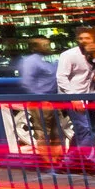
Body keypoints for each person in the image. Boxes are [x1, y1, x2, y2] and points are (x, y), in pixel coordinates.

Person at [56, 28, 95, 169]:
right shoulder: (68, 55)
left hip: (89, 96)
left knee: (84, 129)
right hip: (73, 97)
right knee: (85, 128)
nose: (83, 41)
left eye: (87, 38)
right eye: (81, 38)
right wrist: (74, 97)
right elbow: (61, 77)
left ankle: (68, 162)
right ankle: (91, 162)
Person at [8, 36, 64, 167]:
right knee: (43, 132)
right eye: (44, 45)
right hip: (41, 101)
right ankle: (47, 161)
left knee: (57, 131)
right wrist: (40, 98)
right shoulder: (31, 61)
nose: (48, 48)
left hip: (54, 99)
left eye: (48, 45)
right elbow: (27, 82)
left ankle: (57, 159)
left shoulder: (50, 59)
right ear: (34, 47)